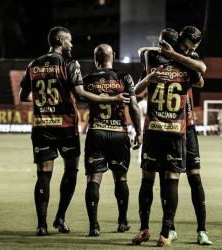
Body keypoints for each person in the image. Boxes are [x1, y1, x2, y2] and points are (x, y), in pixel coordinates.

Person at [19, 26, 130, 236]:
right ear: (60, 41)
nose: (72, 45)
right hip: (66, 126)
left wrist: (45, 102)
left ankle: (41, 226)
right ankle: (60, 217)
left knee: (43, 173)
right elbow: (80, 94)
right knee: (71, 170)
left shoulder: (33, 64)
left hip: (42, 126)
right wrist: (113, 99)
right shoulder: (69, 63)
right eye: (69, 41)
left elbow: (24, 96)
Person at [131, 28, 202, 247]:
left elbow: (142, 52)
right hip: (175, 131)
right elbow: (200, 77)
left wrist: (153, 72)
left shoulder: (151, 58)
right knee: (171, 181)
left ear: (162, 43)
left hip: (154, 130)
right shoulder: (188, 64)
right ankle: (165, 234)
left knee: (147, 180)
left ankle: (144, 229)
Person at [82, 44, 142, 236]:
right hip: (118, 133)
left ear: (95, 59)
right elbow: (134, 106)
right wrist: (139, 132)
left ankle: (94, 226)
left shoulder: (87, 79)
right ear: (113, 56)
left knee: (93, 178)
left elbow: (75, 97)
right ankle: (123, 222)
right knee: (121, 178)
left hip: (96, 132)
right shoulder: (124, 77)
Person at [137, 92, 148, 163]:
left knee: (136, 141)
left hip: (137, 124)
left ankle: (138, 157)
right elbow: (145, 113)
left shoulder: (139, 103)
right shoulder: (145, 104)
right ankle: (140, 158)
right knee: (142, 141)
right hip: (143, 124)